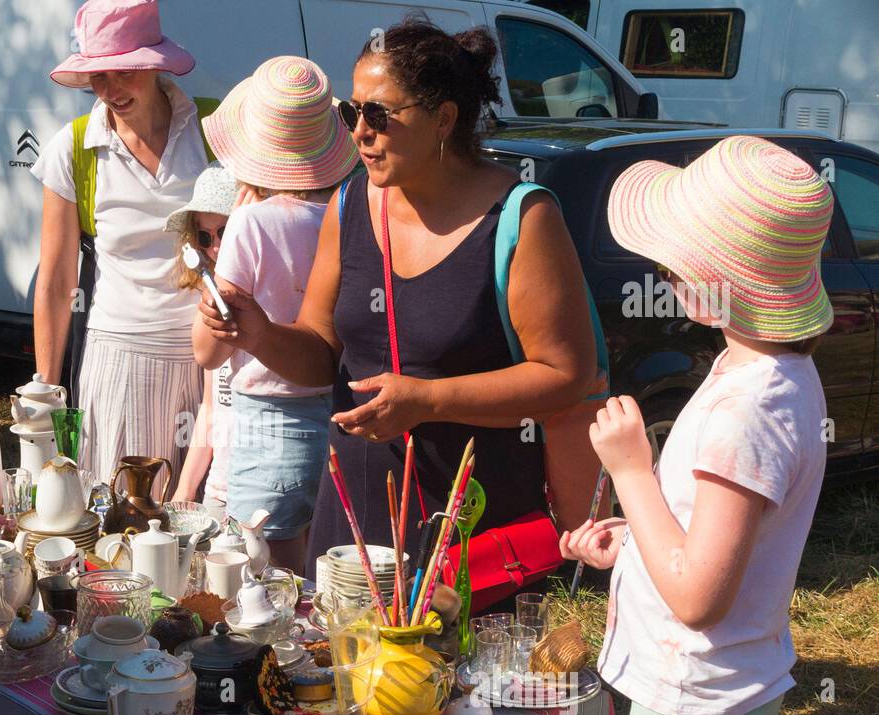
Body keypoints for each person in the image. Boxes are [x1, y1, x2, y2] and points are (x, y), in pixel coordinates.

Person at [197, 17, 597, 579]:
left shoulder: (521, 217)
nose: (359, 131)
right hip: (355, 514)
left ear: (444, 119)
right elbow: (319, 352)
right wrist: (259, 333)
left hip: (471, 521)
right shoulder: (350, 203)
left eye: (379, 114)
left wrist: (428, 400)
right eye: (351, 112)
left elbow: (565, 374)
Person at [561, 135, 834, 715]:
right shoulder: (771, 371)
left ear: (720, 281)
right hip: (731, 682)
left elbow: (698, 597)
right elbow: (717, 538)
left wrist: (630, 471)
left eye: (678, 258)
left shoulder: (748, 407)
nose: (663, 268)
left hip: (692, 694)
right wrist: (638, 536)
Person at [193, 56, 359, 573]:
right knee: (319, 571)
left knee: (265, 577)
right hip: (334, 410)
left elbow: (208, 349)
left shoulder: (252, 223)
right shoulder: (346, 213)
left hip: (267, 420)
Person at [32, 0, 207, 484]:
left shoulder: (212, 130)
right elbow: (57, 277)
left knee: (198, 520)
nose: (110, 89)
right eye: (98, 75)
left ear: (154, 63)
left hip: (207, 356)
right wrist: (45, 387)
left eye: (124, 71)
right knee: (120, 516)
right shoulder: (72, 146)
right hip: (118, 355)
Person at [167, 164, 238, 518]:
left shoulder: (273, 299)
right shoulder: (208, 300)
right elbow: (211, 409)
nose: (214, 247)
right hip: (219, 489)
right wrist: (185, 489)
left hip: (258, 488)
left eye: (224, 231)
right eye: (205, 237)